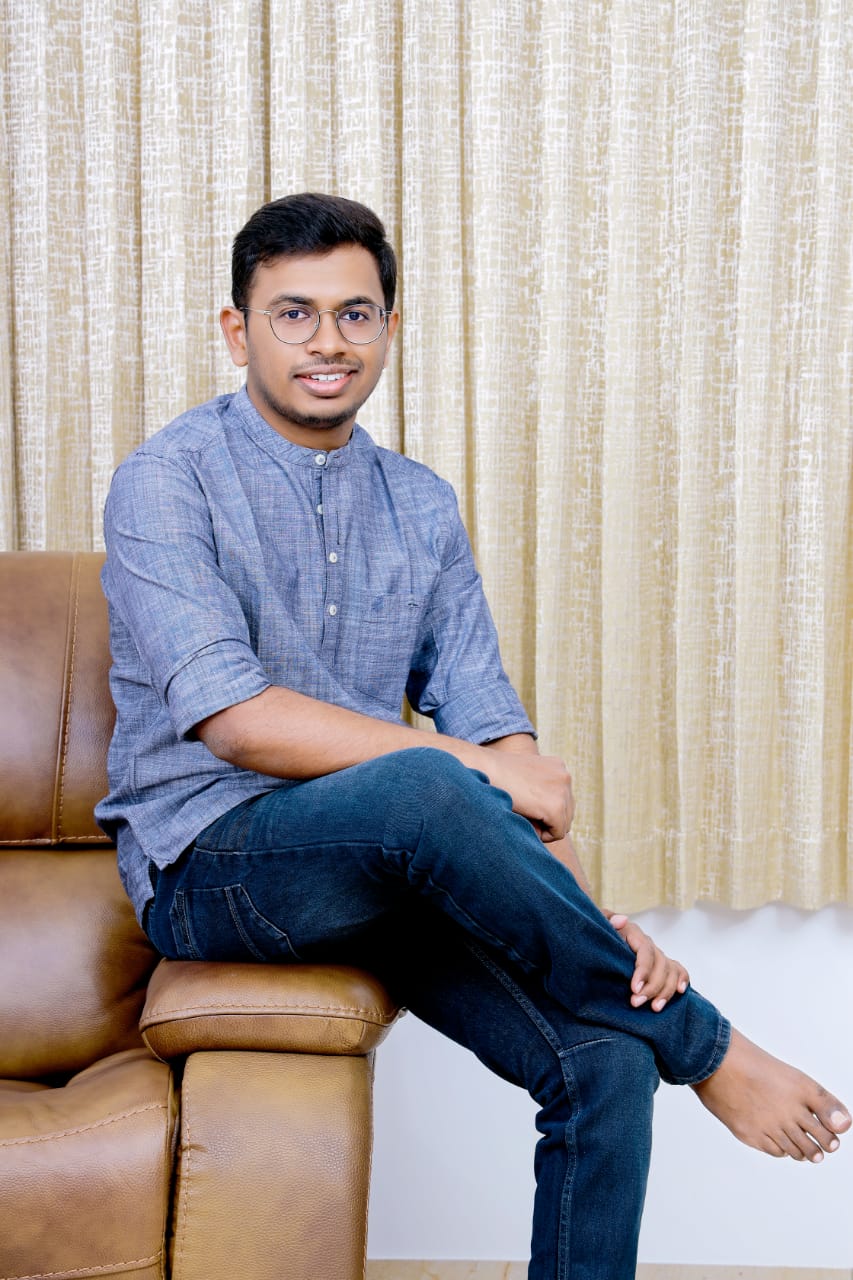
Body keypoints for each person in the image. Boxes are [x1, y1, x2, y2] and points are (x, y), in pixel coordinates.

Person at [96, 192, 850, 1279]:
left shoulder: (419, 505)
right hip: (213, 869)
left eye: (354, 314)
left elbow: (504, 742)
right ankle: (710, 1047)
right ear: (236, 329)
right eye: (293, 314)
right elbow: (237, 719)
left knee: (604, 1061)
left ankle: (651, 1036)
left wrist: (592, 917)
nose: (326, 342)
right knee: (426, 785)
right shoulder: (165, 480)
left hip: (387, 864)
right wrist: (473, 771)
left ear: (388, 329)